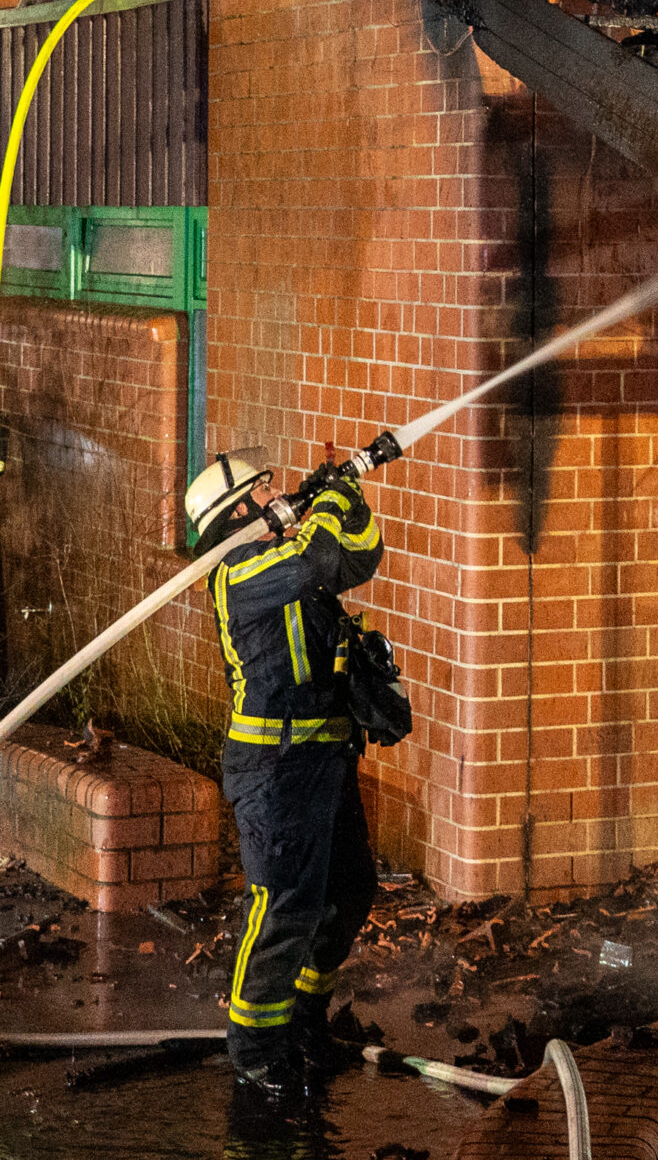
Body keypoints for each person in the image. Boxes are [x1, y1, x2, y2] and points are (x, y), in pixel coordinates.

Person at [186, 445, 386, 1105]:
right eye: (259, 494)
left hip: (324, 758)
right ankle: (254, 1057)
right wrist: (326, 498)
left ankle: (303, 1023)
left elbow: (356, 555)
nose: (274, 499)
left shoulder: (284, 559)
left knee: (350, 891)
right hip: (276, 770)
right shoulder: (240, 573)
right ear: (238, 512)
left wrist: (347, 497)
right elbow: (315, 559)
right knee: (284, 911)